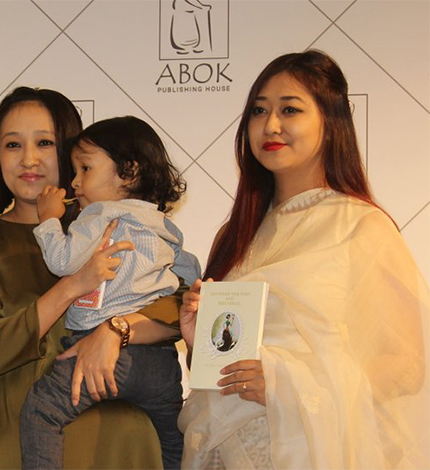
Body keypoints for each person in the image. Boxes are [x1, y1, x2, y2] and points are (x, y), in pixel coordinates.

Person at [178, 50, 430, 469]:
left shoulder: (360, 226)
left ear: (331, 122)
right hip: (223, 452)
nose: (271, 125)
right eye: (259, 110)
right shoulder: (236, 234)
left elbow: (406, 367)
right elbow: (227, 367)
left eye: (290, 109)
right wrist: (199, 342)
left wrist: (287, 385)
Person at [0, 86, 187, 470]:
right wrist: (72, 286)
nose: (28, 158)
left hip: (129, 446)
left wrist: (116, 330)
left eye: (44, 143)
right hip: (32, 452)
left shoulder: (114, 223)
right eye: (12, 145)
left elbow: (180, 306)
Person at [19, 116, 200, 470]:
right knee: (173, 440)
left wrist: (49, 220)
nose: (75, 182)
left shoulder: (99, 215)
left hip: (103, 354)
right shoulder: (163, 226)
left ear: (128, 173)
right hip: (160, 365)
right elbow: (189, 273)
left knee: (41, 410)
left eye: (85, 169)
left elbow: (62, 260)